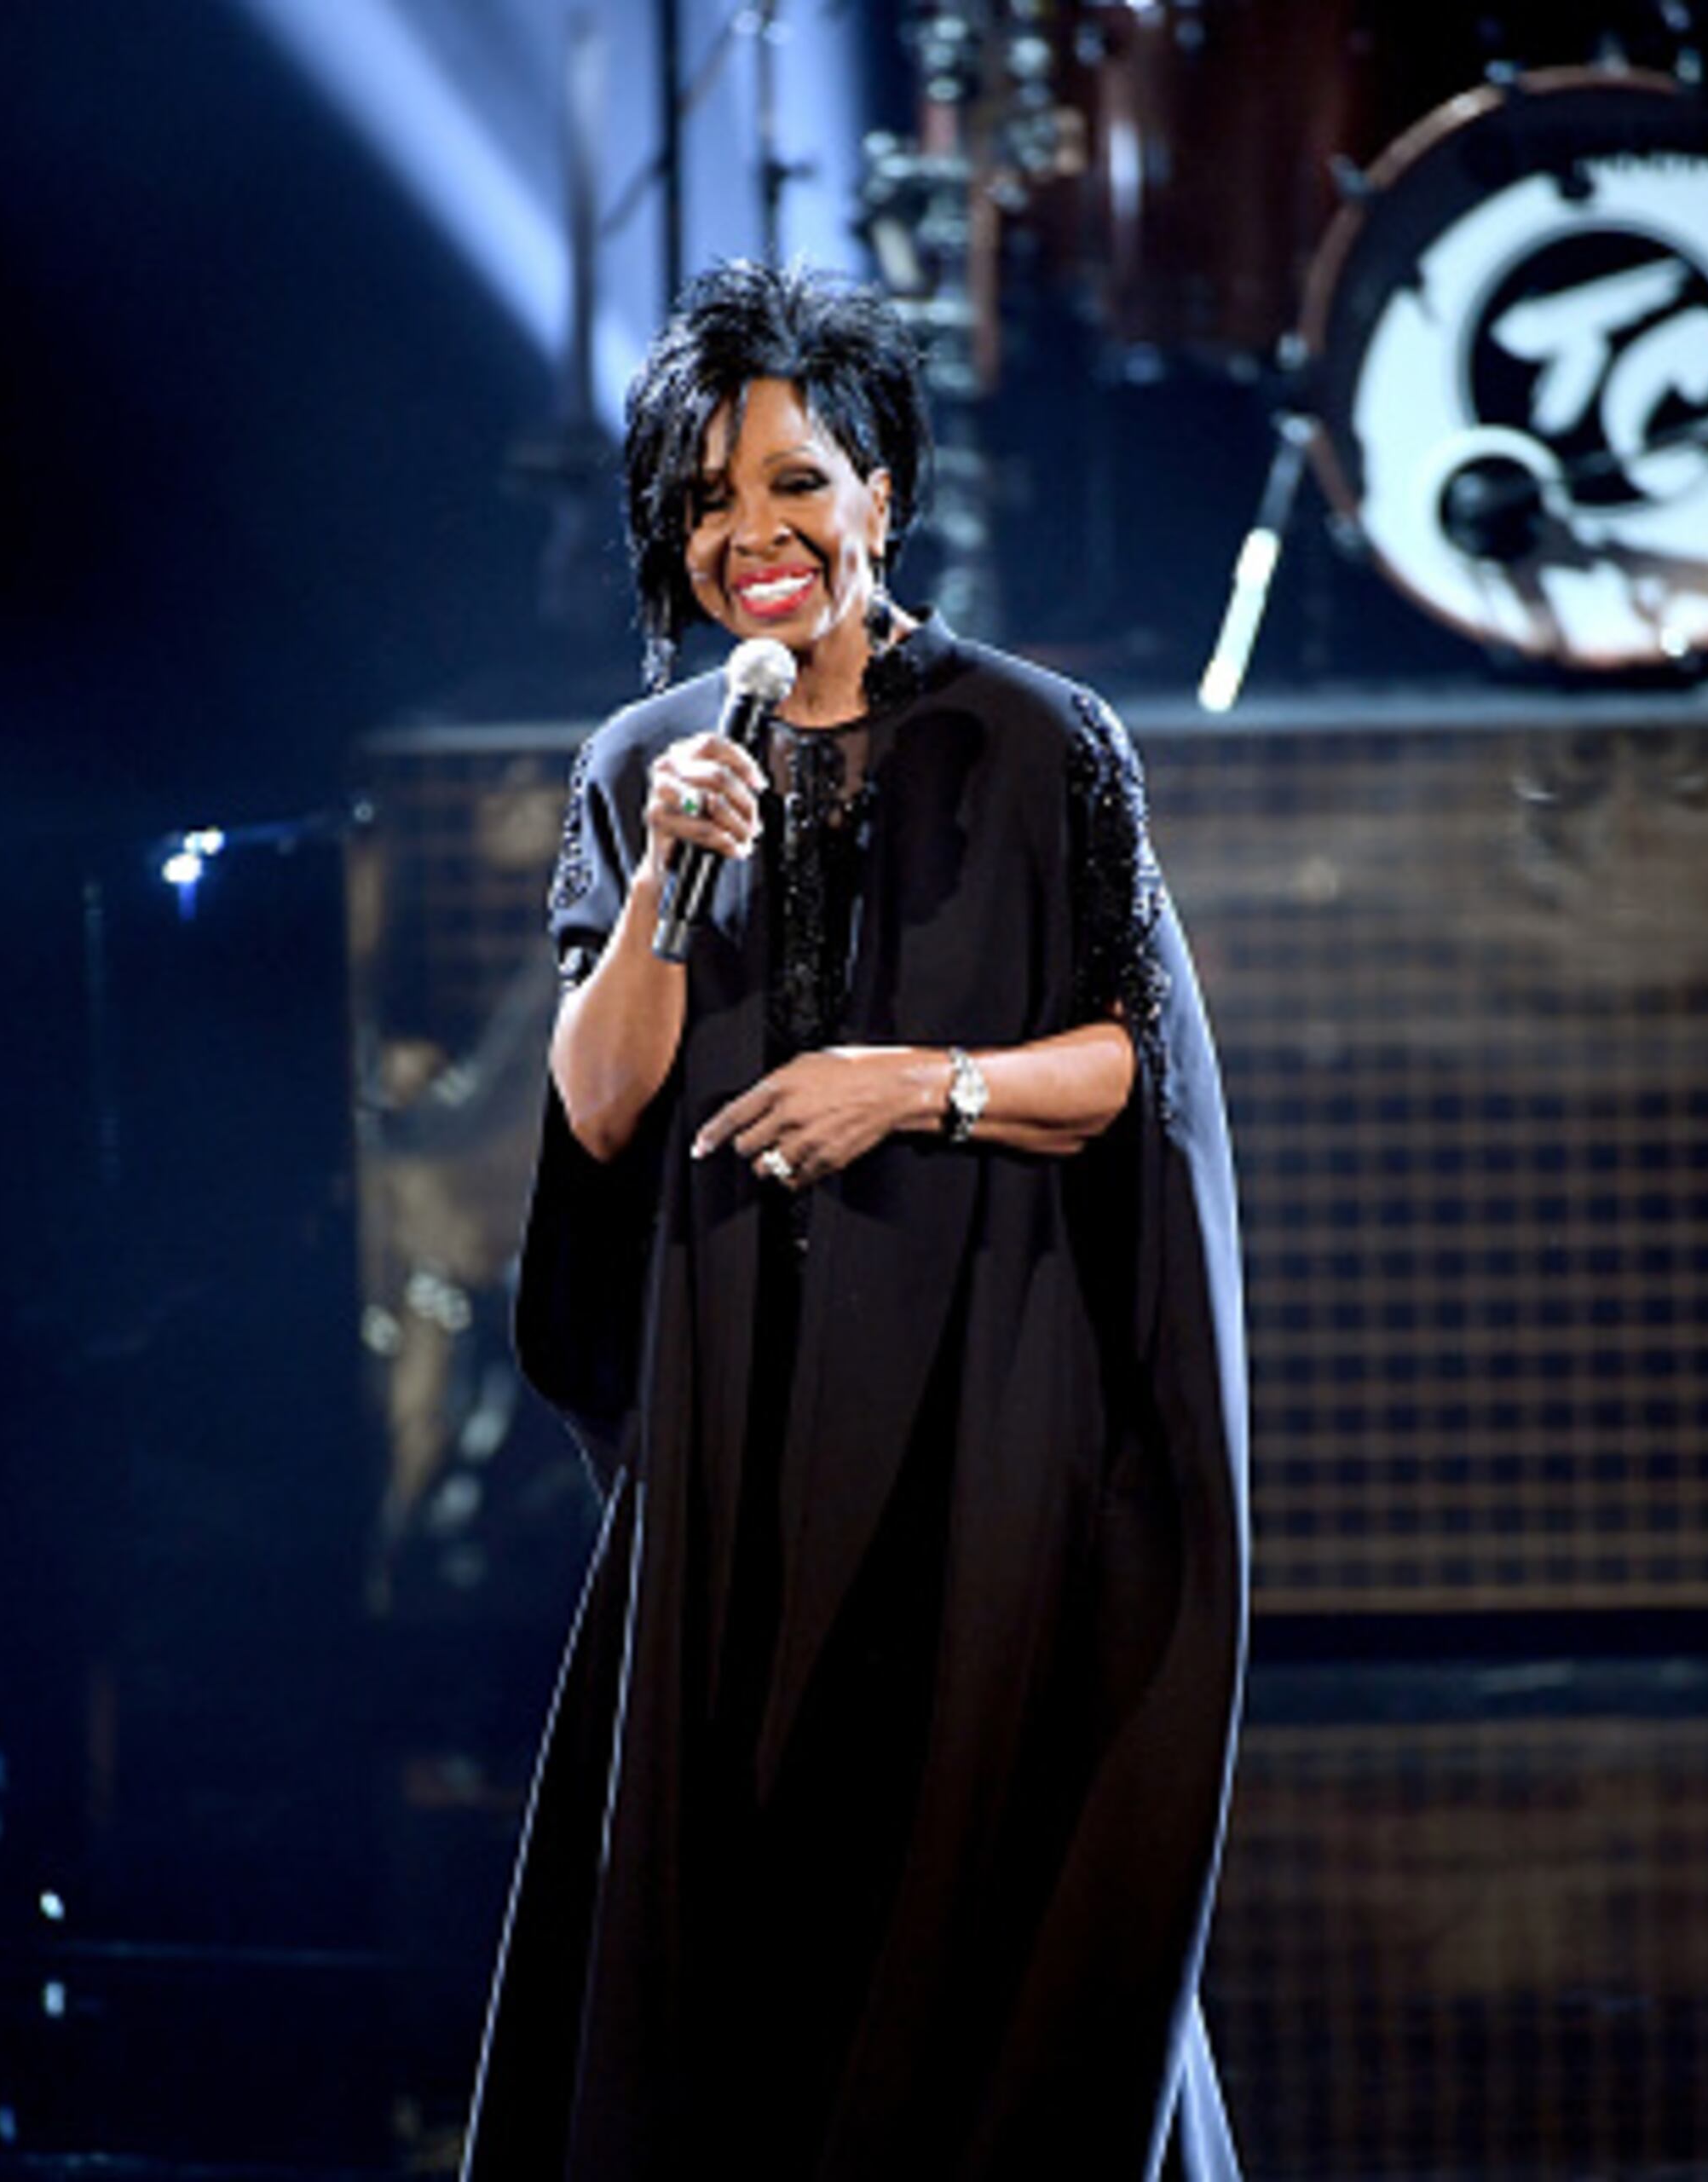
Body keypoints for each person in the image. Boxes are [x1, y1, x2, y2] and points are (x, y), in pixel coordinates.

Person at [468, 258, 1250, 2181]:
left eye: (798, 483)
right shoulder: (646, 765)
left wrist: (916, 1081)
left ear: (880, 491)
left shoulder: (1043, 736)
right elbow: (598, 1098)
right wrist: (668, 867)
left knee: (982, 1881)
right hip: (747, 1417)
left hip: (988, 1401)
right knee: (746, 1908)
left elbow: (1123, 1070)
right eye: (713, 501)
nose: (758, 536)